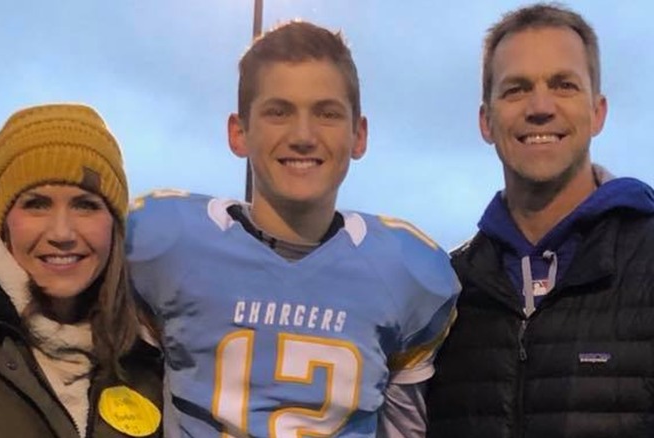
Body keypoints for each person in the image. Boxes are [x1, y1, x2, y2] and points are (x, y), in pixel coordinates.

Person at [126, 21, 459, 437]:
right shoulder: (163, 243)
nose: (303, 135)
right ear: (238, 132)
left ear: (359, 135)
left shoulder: (409, 272)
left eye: (326, 113)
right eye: (278, 112)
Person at [426, 3, 654, 437]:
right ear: (485, 120)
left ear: (597, 112)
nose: (540, 107)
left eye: (563, 85)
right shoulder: (443, 291)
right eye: (515, 89)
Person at [0, 103, 163, 437]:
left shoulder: (154, 353)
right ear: (2, 221)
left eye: (85, 205)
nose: (62, 234)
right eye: (37, 205)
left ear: (114, 226)